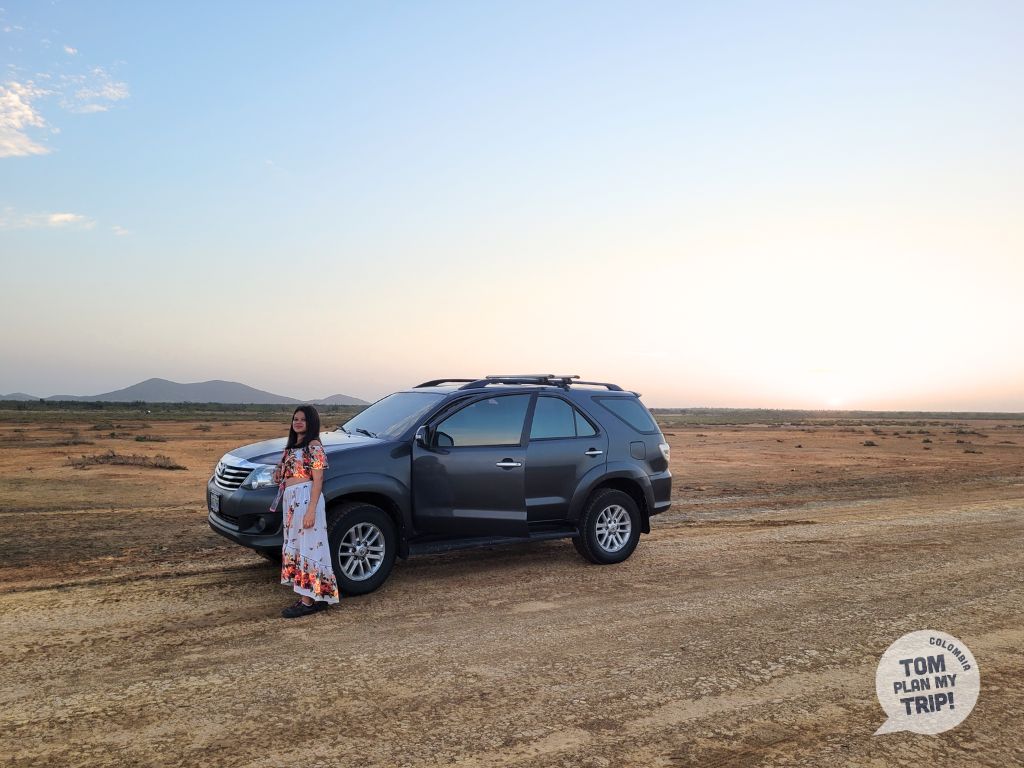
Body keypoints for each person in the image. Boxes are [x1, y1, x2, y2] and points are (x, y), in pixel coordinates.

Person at [270, 405, 340, 618]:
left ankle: (307, 601)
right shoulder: (291, 446)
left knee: (309, 547)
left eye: (303, 419)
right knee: (299, 546)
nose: (298, 422)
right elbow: (284, 473)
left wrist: (311, 511)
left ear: (311, 423)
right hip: (292, 502)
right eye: (295, 419)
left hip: (306, 499)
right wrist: (277, 473)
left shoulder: (314, 445)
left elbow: (318, 480)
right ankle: (316, 596)